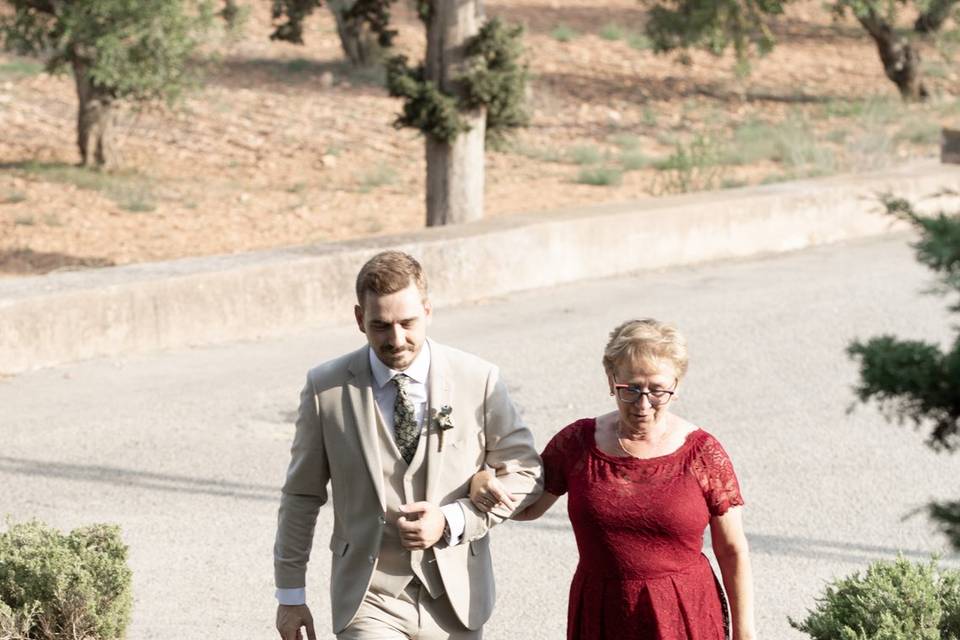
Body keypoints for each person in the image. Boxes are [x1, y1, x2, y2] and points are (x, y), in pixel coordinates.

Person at [273, 250, 543, 640]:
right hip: (370, 597)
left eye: (408, 323)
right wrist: (290, 595)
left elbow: (527, 474)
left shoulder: (477, 379)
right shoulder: (327, 389)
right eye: (380, 325)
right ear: (358, 320)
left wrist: (452, 521)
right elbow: (301, 495)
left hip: (456, 597)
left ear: (428, 312)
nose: (396, 339)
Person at [470, 318, 756, 640]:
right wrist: (481, 479)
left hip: (682, 611)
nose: (643, 405)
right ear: (611, 380)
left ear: (677, 386)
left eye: (657, 390)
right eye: (630, 389)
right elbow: (525, 507)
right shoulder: (577, 443)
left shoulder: (703, 453)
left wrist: (745, 633)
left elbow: (731, 549)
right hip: (602, 613)